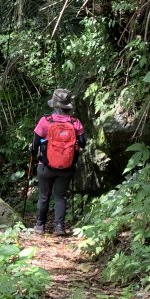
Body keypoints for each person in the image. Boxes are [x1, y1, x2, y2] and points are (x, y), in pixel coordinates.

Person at [31, 89, 86, 236]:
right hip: (67, 166)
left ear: (55, 105)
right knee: (60, 196)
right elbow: (83, 142)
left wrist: (35, 154)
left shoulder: (46, 121)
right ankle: (59, 227)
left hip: (45, 165)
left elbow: (35, 143)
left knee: (44, 196)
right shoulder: (75, 122)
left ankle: (39, 226)